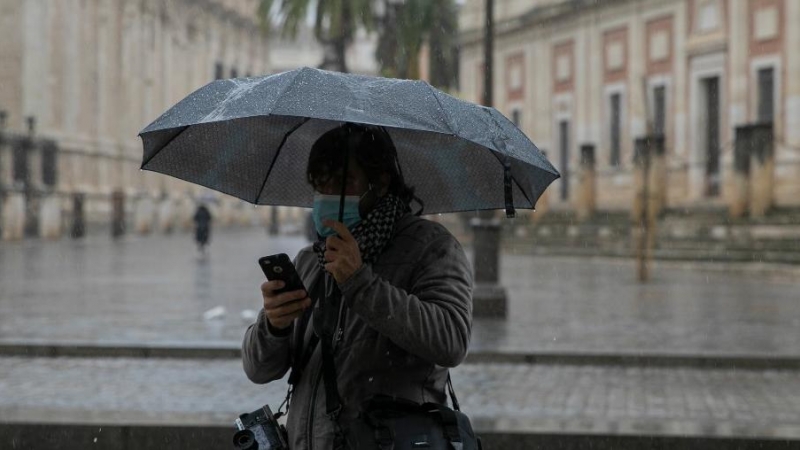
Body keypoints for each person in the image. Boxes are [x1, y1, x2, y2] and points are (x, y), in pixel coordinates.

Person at [241, 123, 474, 450]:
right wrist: (274, 325)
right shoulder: (311, 260)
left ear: (379, 182)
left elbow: (450, 340)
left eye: (342, 183)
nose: (327, 197)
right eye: (320, 185)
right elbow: (257, 369)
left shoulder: (431, 248)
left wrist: (360, 283)